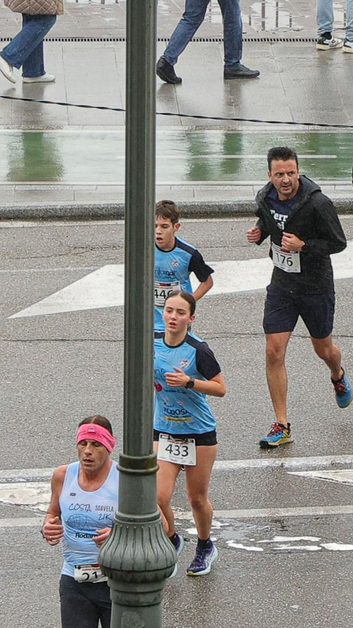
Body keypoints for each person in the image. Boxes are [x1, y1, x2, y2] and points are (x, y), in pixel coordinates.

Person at [247, 146, 351, 449]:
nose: (286, 179)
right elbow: (270, 224)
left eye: (291, 173)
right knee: (273, 351)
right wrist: (259, 233)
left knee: (325, 349)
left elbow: (339, 243)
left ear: (298, 171)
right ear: (270, 175)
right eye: (279, 174)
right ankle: (282, 424)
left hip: (316, 286)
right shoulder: (264, 198)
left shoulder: (318, 203)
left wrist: (304, 246)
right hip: (281, 285)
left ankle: (338, 373)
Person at [154, 291, 227, 577]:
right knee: (158, 498)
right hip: (165, 430)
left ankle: (205, 546)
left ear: (191, 318)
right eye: (169, 311)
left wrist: (190, 382)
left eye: (180, 313)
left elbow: (220, 387)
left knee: (197, 498)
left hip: (198, 432)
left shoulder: (198, 350)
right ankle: (171, 540)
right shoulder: (153, 343)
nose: (173, 317)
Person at [43, 415, 118, 628]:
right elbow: (52, 513)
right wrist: (48, 526)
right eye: (83, 443)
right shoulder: (63, 475)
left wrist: (119, 535)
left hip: (115, 581)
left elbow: (161, 527)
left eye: (96, 445)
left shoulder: (124, 478)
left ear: (109, 446)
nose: (87, 451)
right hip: (74, 578)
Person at [152, 200, 215, 331]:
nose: (158, 231)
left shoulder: (188, 254)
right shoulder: (143, 250)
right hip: (150, 321)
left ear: (176, 227)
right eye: (155, 226)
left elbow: (207, 282)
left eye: (164, 226)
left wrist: (188, 302)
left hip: (177, 322)